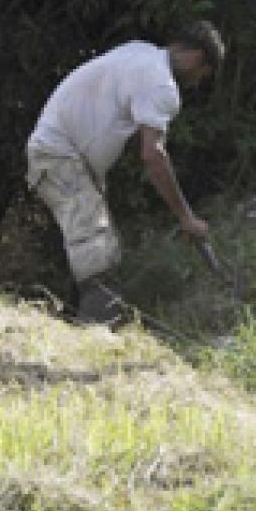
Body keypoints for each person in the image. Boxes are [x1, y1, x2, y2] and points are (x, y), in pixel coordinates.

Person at [25, 20, 224, 325]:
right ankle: (96, 334)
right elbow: (153, 155)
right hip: (60, 152)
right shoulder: (161, 85)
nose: (196, 83)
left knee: (94, 243)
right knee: (96, 247)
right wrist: (186, 217)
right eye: (202, 76)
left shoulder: (139, 52)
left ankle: (74, 322)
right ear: (198, 58)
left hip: (61, 151)